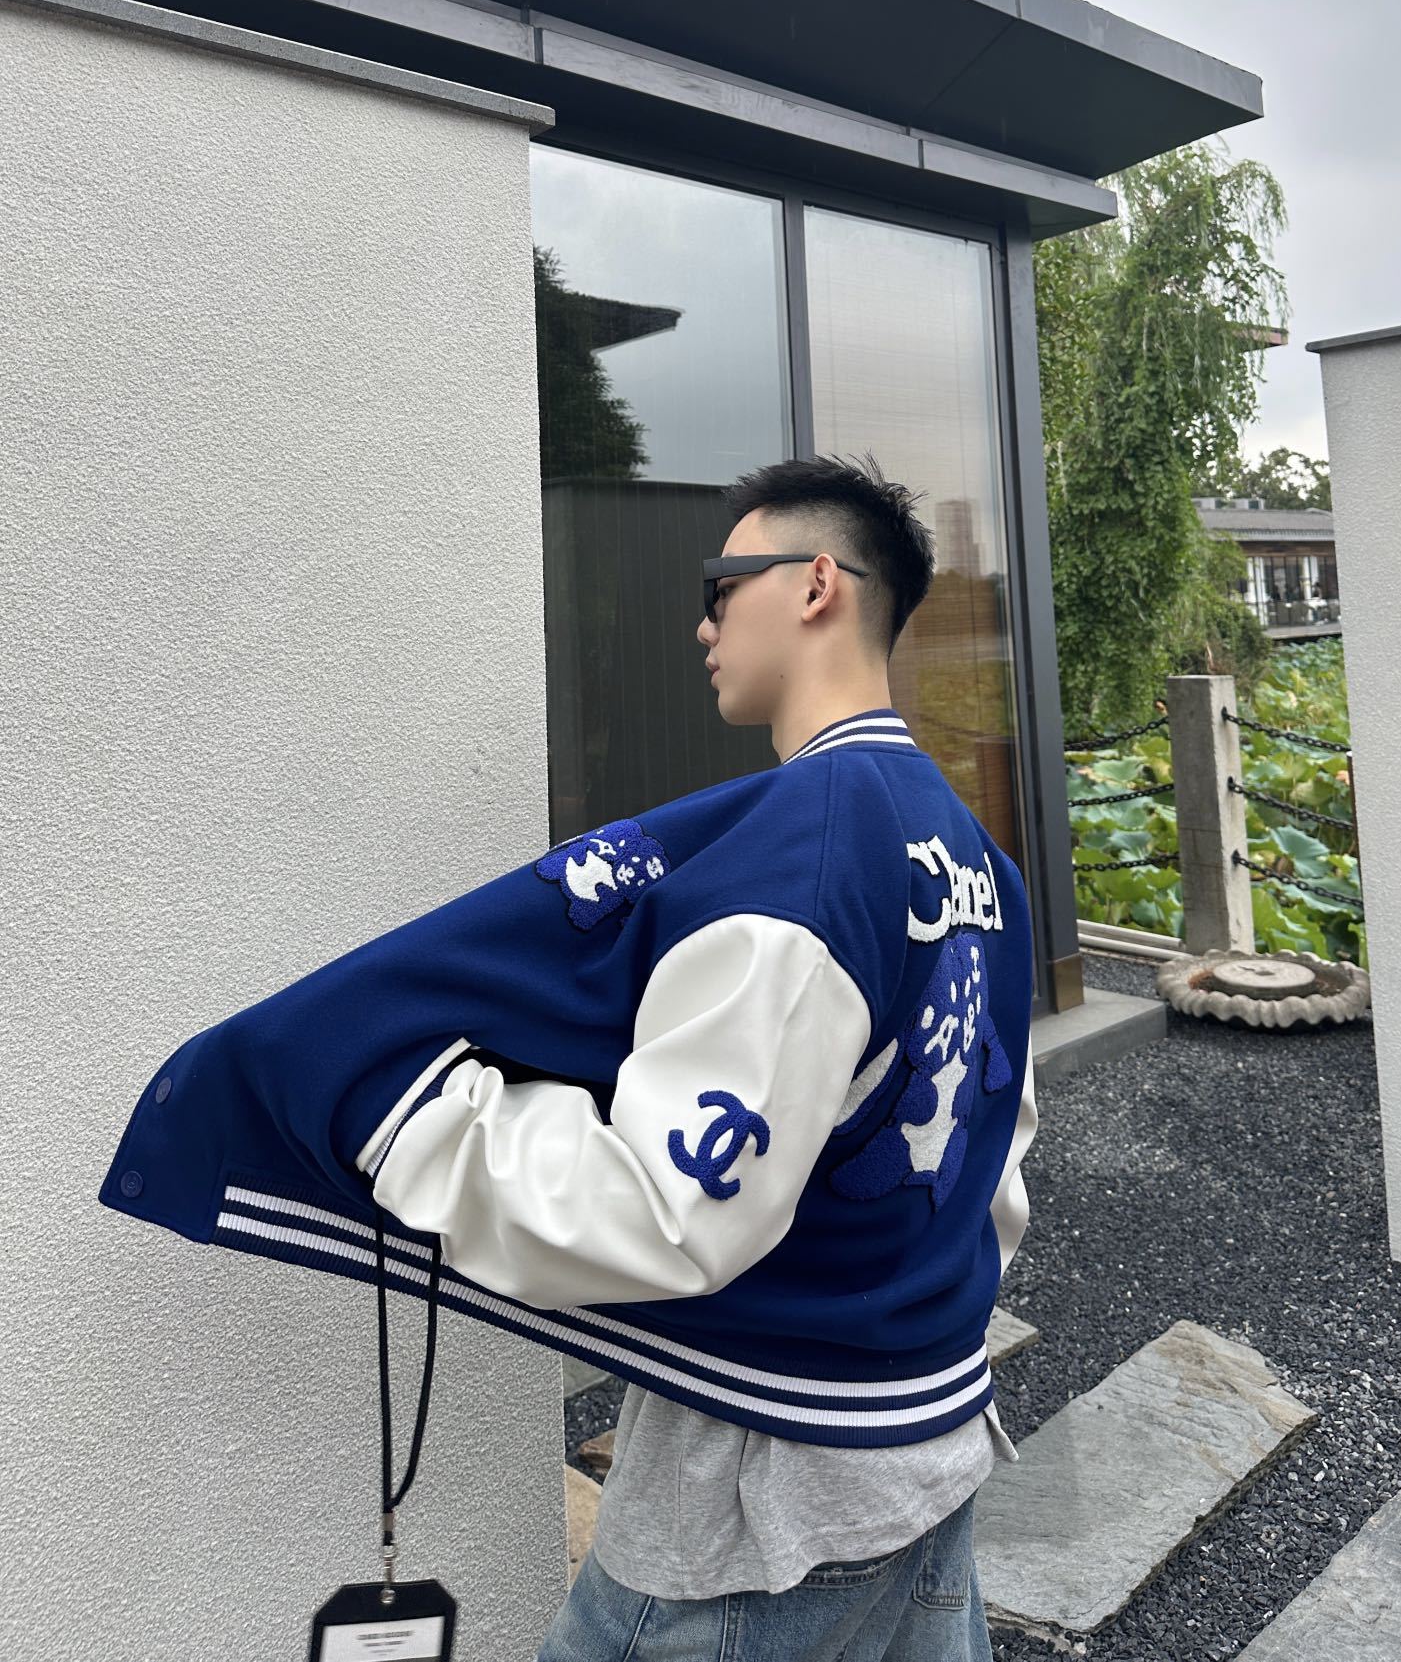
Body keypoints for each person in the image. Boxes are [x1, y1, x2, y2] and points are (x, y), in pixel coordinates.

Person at [99, 450, 1037, 1662]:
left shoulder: (804, 843)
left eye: (719, 585)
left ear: (814, 585)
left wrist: (412, 1120)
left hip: (765, 1496)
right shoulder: (976, 856)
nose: (701, 623)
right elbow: (995, 1169)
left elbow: (667, 1214)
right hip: (930, 1438)